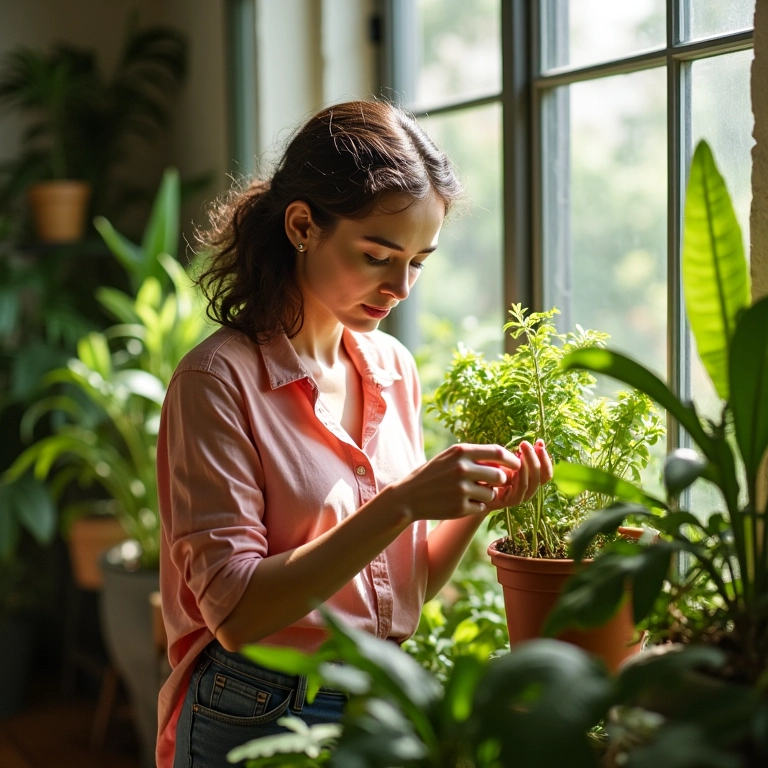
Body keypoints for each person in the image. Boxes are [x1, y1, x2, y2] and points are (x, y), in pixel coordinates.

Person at [156, 99, 552, 767]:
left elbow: (405, 593)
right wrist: (402, 503)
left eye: (419, 261)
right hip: (258, 708)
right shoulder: (217, 382)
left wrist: (478, 508)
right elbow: (239, 614)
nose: (400, 286)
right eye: (377, 255)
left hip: (379, 700)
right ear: (303, 225)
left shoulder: (392, 368)